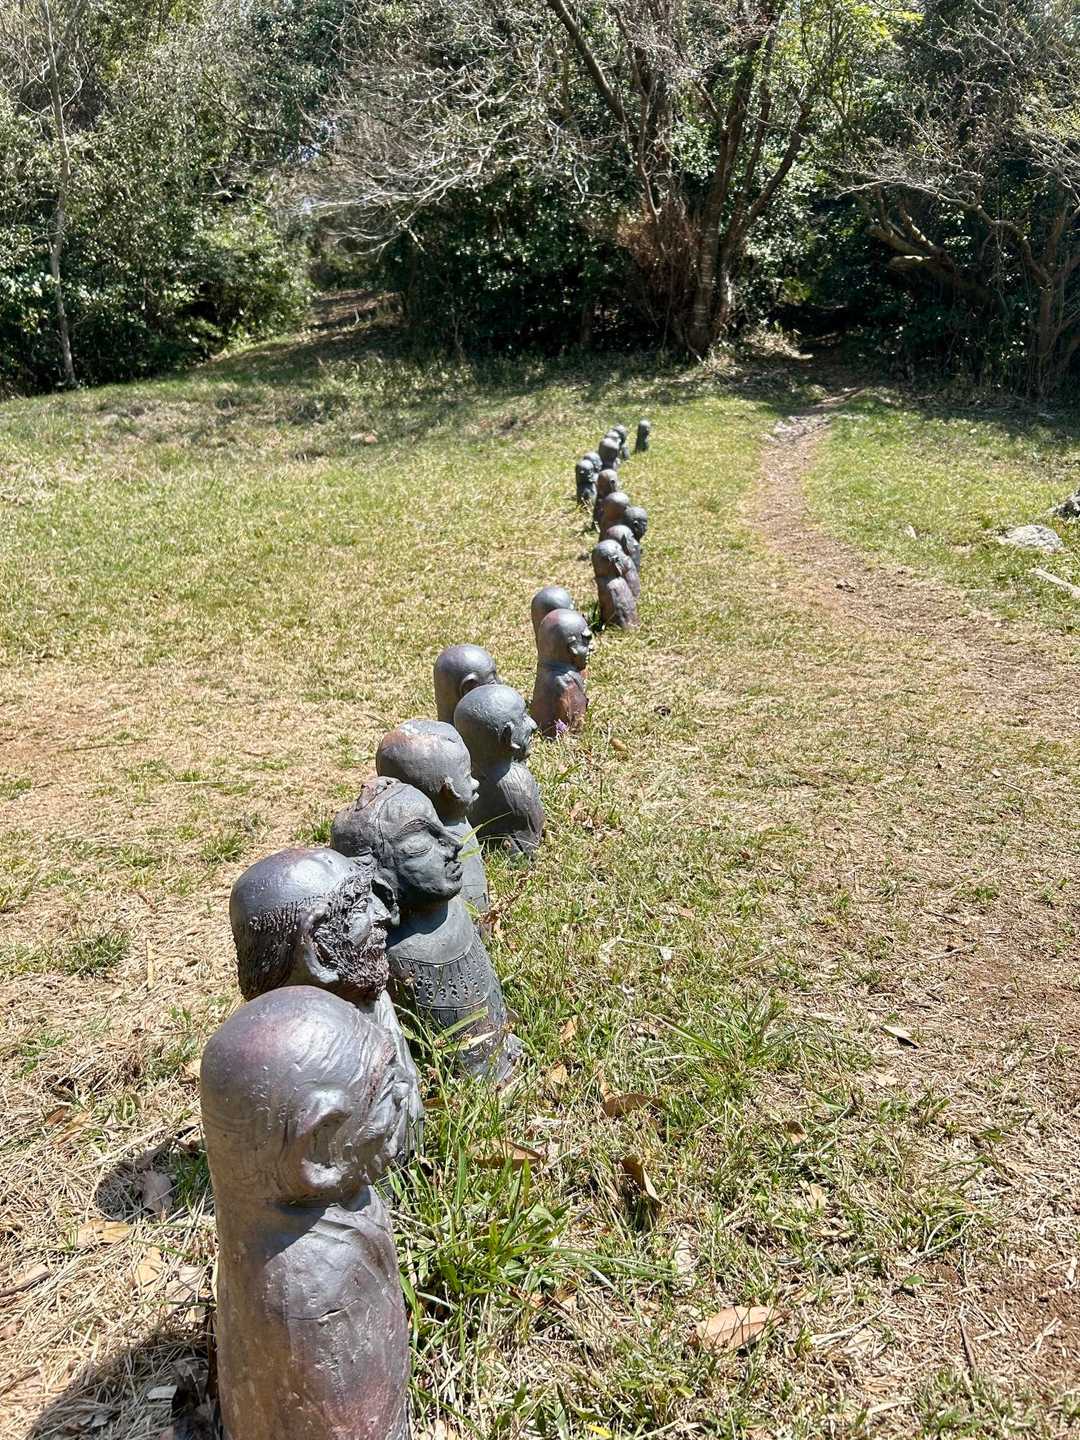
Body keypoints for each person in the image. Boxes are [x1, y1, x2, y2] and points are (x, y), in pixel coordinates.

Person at [202, 986, 412, 1440]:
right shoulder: (320, 1280)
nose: (404, 1097)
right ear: (316, 1154)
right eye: (383, 1098)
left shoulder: (265, 1225)